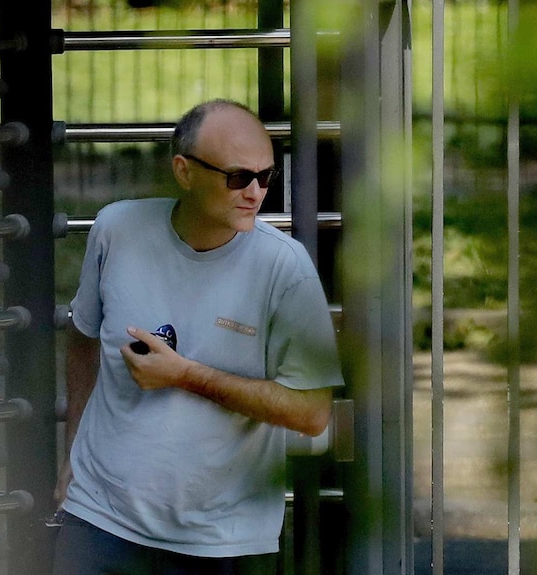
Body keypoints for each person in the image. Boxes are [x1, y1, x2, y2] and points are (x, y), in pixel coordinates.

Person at [53, 99, 345, 575]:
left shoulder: (284, 268)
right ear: (184, 172)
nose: (255, 192)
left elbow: (312, 413)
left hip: (222, 541)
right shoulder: (115, 229)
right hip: (99, 520)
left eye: (266, 176)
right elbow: (83, 339)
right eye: (238, 177)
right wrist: (71, 455)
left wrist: (185, 375)